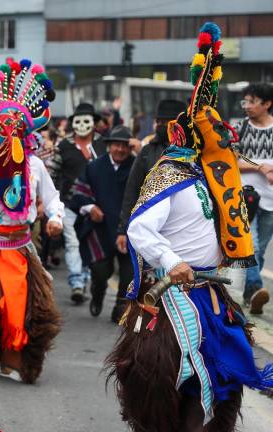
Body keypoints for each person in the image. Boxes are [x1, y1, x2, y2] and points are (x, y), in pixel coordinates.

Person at [106, 24, 273, 432]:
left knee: (225, 377)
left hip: (210, 292)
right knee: (166, 378)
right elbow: (141, 228)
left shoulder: (215, 177)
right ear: (197, 136)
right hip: (171, 292)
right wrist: (172, 260)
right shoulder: (170, 174)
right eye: (216, 132)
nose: (225, 138)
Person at [0, 58, 63, 384]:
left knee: (27, 310)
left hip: (21, 246)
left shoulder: (34, 166)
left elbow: (52, 198)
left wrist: (56, 218)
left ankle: (13, 357)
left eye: (18, 128)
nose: (12, 134)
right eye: (6, 127)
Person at [69, 126, 135, 322]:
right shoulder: (95, 167)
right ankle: (98, 293)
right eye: (116, 145)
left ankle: (120, 309)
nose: (120, 149)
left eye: (124, 146)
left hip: (130, 231)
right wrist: (90, 208)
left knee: (128, 276)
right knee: (99, 272)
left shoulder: (136, 167)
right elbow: (79, 192)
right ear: (109, 146)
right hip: (101, 230)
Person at [49, 102, 106, 304]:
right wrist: (51, 200)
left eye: (86, 120)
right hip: (70, 203)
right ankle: (77, 283)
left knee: (90, 242)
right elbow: (52, 174)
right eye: (78, 121)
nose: (82, 125)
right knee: (73, 242)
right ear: (73, 123)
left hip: (96, 204)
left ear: (94, 123)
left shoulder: (103, 144)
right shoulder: (63, 146)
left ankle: (86, 277)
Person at [117, 99, 186, 257]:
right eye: (158, 121)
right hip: (152, 228)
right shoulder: (147, 151)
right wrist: (123, 229)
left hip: (185, 229)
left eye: (166, 121)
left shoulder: (194, 153)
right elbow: (132, 191)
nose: (161, 125)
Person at [235, 83, 273, 315]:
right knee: (251, 244)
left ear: (267, 104)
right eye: (245, 102)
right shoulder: (240, 129)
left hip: (271, 201)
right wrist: (260, 167)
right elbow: (234, 159)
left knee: (260, 250)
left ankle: (251, 294)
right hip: (245, 197)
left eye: (252, 101)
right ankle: (256, 287)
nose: (247, 106)